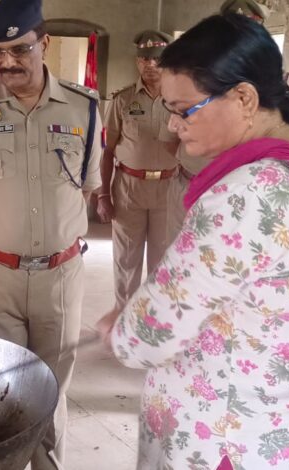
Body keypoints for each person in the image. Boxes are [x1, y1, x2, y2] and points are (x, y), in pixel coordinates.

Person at [97, 13, 289, 470]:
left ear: (244, 97)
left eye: (183, 109)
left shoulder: (247, 195)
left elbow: (153, 333)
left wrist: (121, 330)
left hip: (231, 431)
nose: (173, 126)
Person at [0, 0, 102, 467]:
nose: (8, 62)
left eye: (20, 50)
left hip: (61, 277)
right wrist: (5, 227)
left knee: (51, 389)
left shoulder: (85, 108)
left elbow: (85, 187)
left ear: (44, 43)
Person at [165, 0, 272, 244]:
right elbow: (172, 136)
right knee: (178, 250)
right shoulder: (192, 80)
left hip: (241, 196)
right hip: (189, 183)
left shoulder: (275, 94)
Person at [97, 30, 180, 311]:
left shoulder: (179, 100)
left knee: (163, 259)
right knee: (126, 259)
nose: (150, 64)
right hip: (128, 188)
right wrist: (103, 195)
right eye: (144, 59)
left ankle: (155, 317)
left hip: (169, 188)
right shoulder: (122, 100)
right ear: (137, 62)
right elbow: (108, 151)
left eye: (156, 59)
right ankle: (124, 316)